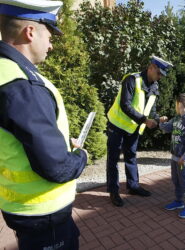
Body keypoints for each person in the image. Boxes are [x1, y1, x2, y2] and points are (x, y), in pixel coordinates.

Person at [0, 1, 88, 249]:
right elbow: (56, 168)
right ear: (30, 32)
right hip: (43, 212)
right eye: (49, 35)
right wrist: (80, 155)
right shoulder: (23, 86)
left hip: (20, 206)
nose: (51, 45)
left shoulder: (5, 72)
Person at [107, 56, 173, 207]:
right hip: (116, 125)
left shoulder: (154, 86)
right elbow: (125, 105)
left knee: (131, 156)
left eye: (162, 75)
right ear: (151, 68)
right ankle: (113, 191)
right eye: (159, 73)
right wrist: (144, 120)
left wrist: (157, 119)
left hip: (133, 128)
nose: (160, 77)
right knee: (113, 159)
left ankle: (133, 186)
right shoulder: (132, 79)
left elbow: (151, 109)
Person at [159, 93, 185, 218]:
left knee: (184, 182)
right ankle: (179, 201)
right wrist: (161, 122)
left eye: (177, 105)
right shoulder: (177, 118)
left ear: (180, 104)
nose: (177, 107)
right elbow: (166, 128)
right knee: (176, 180)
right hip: (175, 157)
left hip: (183, 159)